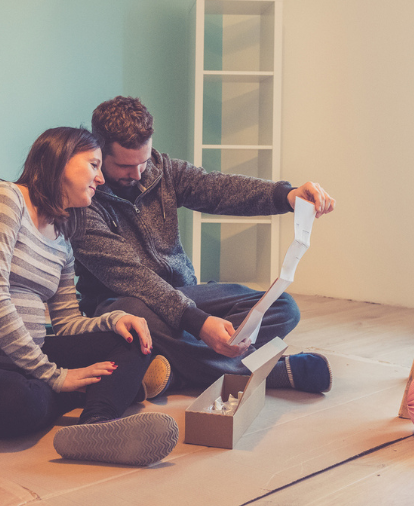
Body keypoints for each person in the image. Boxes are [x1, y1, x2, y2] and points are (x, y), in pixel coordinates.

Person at [0, 126, 178, 467]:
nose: (101, 178)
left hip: (15, 358)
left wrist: (115, 319)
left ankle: (96, 426)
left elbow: (65, 323)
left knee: (132, 337)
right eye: (93, 164)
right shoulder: (3, 200)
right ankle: (106, 391)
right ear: (60, 159)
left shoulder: (63, 238)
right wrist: (55, 376)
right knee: (23, 403)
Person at [72, 97, 337, 392]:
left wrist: (286, 196)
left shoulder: (163, 171)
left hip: (184, 293)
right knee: (134, 314)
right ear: (98, 152)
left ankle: (175, 370)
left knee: (284, 307)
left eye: (143, 162)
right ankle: (267, 373)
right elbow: (134, 278)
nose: (137, 175)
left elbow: (218, 188)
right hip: (123, 305)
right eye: (124, 166)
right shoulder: (83, 201)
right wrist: (199, 323)